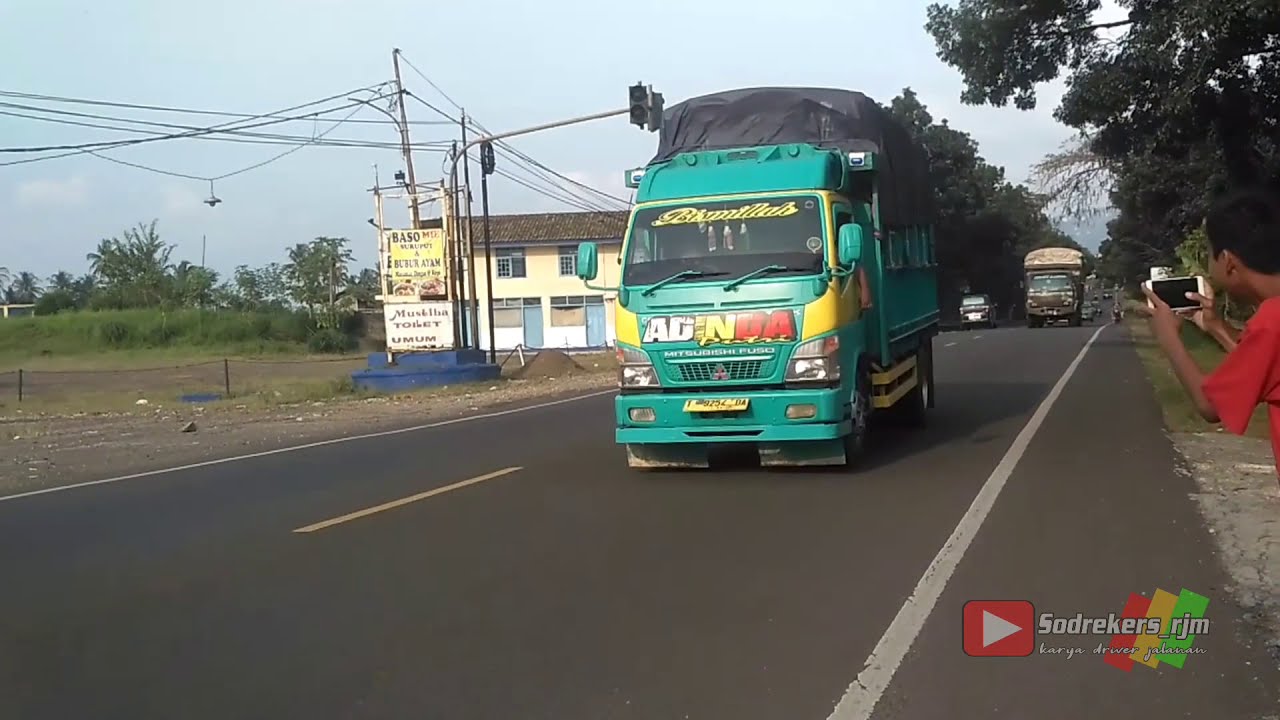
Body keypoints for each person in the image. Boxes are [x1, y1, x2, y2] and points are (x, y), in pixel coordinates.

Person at [1139, 186, 1280, 476]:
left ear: (1228, 261)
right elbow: (1265, 370)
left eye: (1210, 254)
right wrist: (1215, 326)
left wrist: (1170, 339)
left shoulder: (1272, 320)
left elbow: (1210, 406)